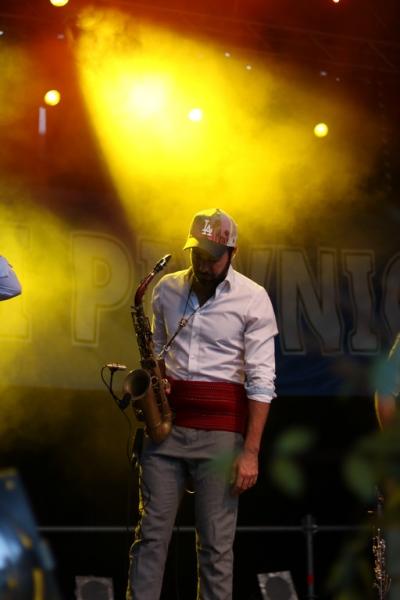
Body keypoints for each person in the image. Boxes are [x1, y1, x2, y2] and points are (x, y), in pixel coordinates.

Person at [126, 208, 278, 600]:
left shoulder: (253, 298)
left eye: (213, 256)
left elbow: (262, 381)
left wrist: (251, 452)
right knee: (150, 537)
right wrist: (157, 381)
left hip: (222, 436)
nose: (203, 263)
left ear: (232, 252)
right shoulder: (167, 289)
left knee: (215, 547)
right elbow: (159, 349)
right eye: (197, 253)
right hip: (167, 429)